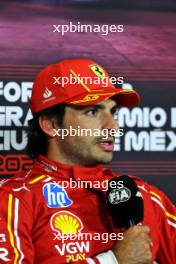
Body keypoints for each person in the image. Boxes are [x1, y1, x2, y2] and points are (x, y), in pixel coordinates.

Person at [0, 58, 175, 264]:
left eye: (113, 112)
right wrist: (112, 260)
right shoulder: (14, 200)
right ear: (51, 124)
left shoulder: (146, 196)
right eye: (92, 112)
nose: (113, 127)